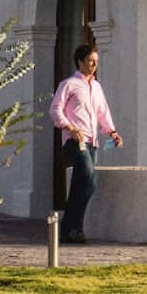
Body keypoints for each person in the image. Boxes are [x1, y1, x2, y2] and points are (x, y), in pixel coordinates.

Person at [48, 44, 122, 243]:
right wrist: (69, 128)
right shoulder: (69, 84)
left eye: (96, 61)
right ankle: (74, 227)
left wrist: (112, 132)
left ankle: (69, 230)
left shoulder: (97, 87)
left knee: (80, 186)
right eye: (90, 60)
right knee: (89, 181)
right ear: (80, 61)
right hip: (74, 142)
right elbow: (55, 110)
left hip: (92, 142)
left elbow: (102, 112)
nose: (94, 65)